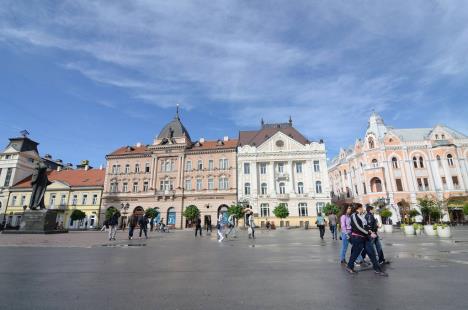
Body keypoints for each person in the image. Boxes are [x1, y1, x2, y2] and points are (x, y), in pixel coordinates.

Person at [346, 205, 387, 276]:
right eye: (362, 208)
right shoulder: (354, 216)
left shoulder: (361, 216)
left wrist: (370, 231)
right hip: (357, 238)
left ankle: (377, 269)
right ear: (358, 208)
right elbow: (358, 227)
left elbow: (365, 226)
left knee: (372, 253)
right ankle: (349, 266)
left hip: (365, 237)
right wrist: (369, 233)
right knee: (355, 253)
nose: (363, 209)